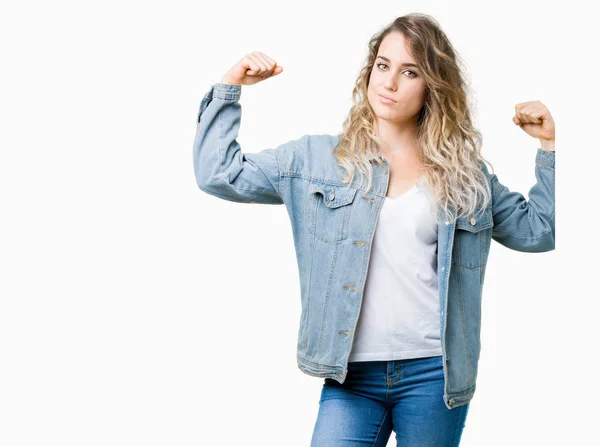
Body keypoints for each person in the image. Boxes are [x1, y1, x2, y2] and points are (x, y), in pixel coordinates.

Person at [193, 12, 555, 447]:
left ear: (433, 86)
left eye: (410, 72)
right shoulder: (316, 162)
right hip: (351, 375)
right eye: (383, 66)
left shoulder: (466, 175)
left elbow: (539, 231)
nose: (390, 83)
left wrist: (550, 147)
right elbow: (219, 173)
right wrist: (230, 87)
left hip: (434, 374)